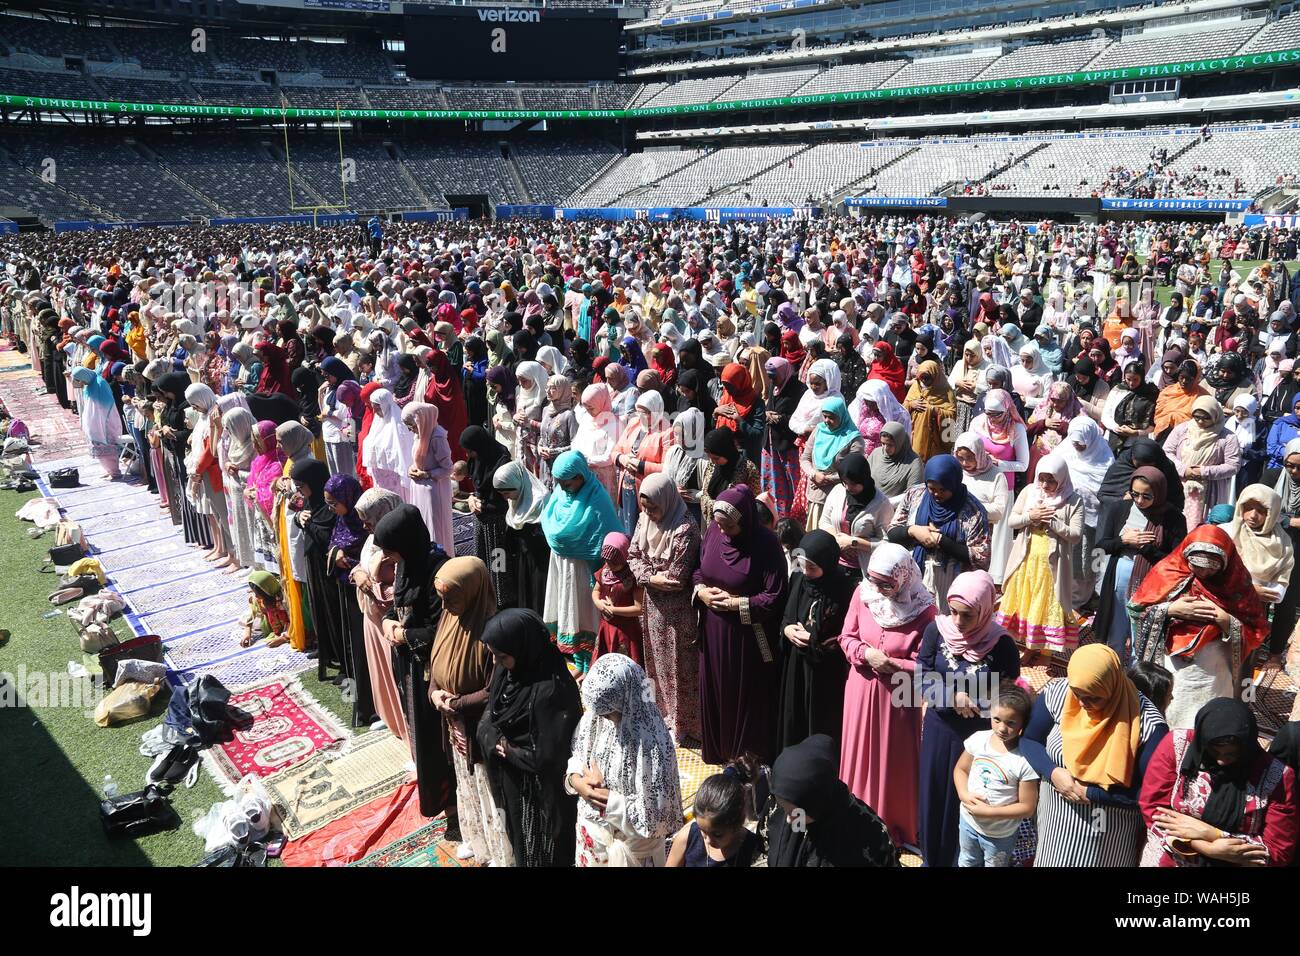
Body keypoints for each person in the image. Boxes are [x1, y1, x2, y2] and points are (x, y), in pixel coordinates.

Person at [1020, 645, 1169, 866]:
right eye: (1077, 693)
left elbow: (1148, 795)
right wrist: (1053, 772)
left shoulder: (1147, 724)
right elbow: (1029, 740)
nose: (1081, 703)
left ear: (1112, 687)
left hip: (1106, 836)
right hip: (1055, 825)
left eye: (1093, 698)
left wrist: (1091, 793)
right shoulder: (1058, 694)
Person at [917, 570, 1020, 866]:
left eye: (968, 615)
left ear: (985, 610)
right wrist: (951, 696)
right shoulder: (937, 631)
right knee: (935, 794)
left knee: (968, 797)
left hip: (977, 736)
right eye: (954, 612)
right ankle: (931, 858)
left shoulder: (1001, 645)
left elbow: (1009, 692)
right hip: (939, 729)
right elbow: (921, 674)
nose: (959, 622)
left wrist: (976, 699)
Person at [838, 541, 937, 847]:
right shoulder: (862, 594)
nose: (878, 589)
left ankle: (892, 824)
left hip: (898, 701)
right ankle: (856, 816)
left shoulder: (926, 611)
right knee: (860, 755)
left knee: (893, 760)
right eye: (875, 581)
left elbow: (929, 667)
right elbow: (846, 637)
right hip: (861, 690)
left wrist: (893, 665)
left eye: (886, 584)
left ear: (904, 577)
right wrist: (866, 655)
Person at [1129, 525, 1270, 730]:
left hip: (1214, 671)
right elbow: (1136, 609)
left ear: (1226, 562)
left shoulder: (1237, 583)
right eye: (1197, 565)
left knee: (1207, 722)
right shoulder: (1169, 572)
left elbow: (1257, 630)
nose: (1203, 573)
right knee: (1171, 716)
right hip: (1172, 668)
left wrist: (1226, 621)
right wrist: (1170, 610)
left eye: (1211, 567)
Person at [476, 608, 582, 867]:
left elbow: (551, 756)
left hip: (543, 791)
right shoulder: (508, 670)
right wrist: (495, 739)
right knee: (523, 844)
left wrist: (510, 750)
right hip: (514, 781)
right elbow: (492, 711)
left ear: (524, 648)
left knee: (545, 850)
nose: (495, 662)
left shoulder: (552, 690)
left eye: (501, 656)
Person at [693, 484, 789, 766]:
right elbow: (699, 569)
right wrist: (702, 592)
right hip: (712, 632)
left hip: (747, 639)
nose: (723, 532)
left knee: (743, 697)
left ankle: (745, 764)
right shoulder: (713, 531)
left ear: (745, 520)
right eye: (719, 525)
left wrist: (736, 604)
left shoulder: (766, 545)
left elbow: (774, 596)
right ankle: (720, 751)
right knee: (716, 690)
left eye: (729, 527)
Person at [1139, 698, 1297, 867]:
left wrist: (1214, 834)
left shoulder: (1277, 776)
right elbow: (1154, 811)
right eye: (1214, 752)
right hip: (1171, 859)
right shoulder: (1177, 746)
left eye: (1231, 754)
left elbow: (1277, 851)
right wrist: (1207, 848)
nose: (1222, 761)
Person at [428, 556, 512, 866]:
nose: (446, 604)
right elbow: (436, 663)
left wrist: (454, 704)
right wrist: (435, 694)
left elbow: (493, 690)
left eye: (452, 597)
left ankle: (500, 851)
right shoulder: (450, 616)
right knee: (467, 783)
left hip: (481, 728)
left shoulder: (492, 628)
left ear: (473, 592)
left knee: (488, 788)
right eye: (443, 598)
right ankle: (479, 841)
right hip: (455, 723)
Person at [375, 504, 455, 819]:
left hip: (434, 669)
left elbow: (442, 629)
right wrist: (388, 622)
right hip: (411, 665)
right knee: (420, 732)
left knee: (438, 740)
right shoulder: (408, 563)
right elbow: (399, 606)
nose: (387, 559)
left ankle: (451, 803)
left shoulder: (439, 570)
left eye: (390, 551)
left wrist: (405, 637)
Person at [565, 653, 683, 867]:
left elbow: (656, 818)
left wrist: (609, 801)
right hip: (593, 844)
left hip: (632, 854)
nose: (604, 719)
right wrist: (576, 781)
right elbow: (578, 753)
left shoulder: (652, 744)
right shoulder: (597, 715)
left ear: (628, 699)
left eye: (610, 713)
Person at [628, 472, 702, 745]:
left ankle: (684, 725)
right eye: (645, 507)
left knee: (680, 667)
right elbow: (633, 555)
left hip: (677, 613)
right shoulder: (644, 518)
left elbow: (676, 579)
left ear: (667, 500)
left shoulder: (685, 528)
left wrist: (647, 576)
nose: (649, 513)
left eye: (654, 507)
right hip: (653, 607)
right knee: (656, 664)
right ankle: (662, 715)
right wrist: (651, 577)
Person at [541, 450, 623, 676]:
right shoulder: (560, 493)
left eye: (567, 483)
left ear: (580, 477)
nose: (563, 487)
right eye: (560, 483)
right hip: (562, 567)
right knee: (569, 613)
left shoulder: (597, 499)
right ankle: (579, 662)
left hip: (585, 569)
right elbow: (551, 524)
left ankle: (592, 664)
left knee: (585, 615)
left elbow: (608, 537)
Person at [997, 453, 1084, 664]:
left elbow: (1075, 534)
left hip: (1052, 566)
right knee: (1026, 601)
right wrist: (1031, 517)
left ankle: (1044, 652)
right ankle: (1027, 646)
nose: (1045, 484)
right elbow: (1012, 520)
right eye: (1042, 478)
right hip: (1025, 560)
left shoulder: (1074, 500)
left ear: (1061, 478)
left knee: (1045, 604)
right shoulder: (1029, 492)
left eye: (1051, 480)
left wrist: (1053, 522)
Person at [1094, 466, 1187, 662]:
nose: (1139, 501)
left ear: (1159, 493)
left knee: (1142, 638)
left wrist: (1145, 548)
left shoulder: (1173, 519)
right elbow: (1102, 545)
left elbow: (1176, 561)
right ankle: (1115, 678)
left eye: (1147, 496)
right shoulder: (1120, 508)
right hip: (1120, 575)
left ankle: (1137, 685)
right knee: (1116, 632)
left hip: (1152, 583)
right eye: (1135, 494)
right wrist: (1124, 541)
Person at [764, 733, 899, 867]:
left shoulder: (871, 835)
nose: (788, 819)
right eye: (783, 807)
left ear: (816, 803)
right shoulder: (777, 808)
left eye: (796, 812)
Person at [777, 530, 854, 751]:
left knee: (818, 723)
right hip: (795, 667)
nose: (807, 572)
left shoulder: (842, 589)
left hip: (823, 675)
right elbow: (786, 615)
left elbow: (844, 636)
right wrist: (787, 630)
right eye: (804, 565)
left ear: (827, 563)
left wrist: (814, 640)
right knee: (794, 716)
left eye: (813, 567)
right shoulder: (798, 579)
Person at [887, 454, 991, 613]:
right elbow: (893, 533)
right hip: (914, 574)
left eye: (943, 489)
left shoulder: (972, 510)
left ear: (954, 484)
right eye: (932, 488)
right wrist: (914, 531)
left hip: (952, 581)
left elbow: (981, 558)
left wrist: (941, 541)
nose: (936, 494)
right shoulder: (916, 495)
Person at [953, 686, 1039, 867]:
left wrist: (989, 812)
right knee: (967, 861)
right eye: (997, 719)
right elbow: (960, 770)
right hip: (968, 822)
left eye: (1011, 723)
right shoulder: (978, 740)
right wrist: (964, 794)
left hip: (1000, 835)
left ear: (1023, 723)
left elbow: (1027, 807)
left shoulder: (1024, 760)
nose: (1002, 728)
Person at [351, 488, 408, 744]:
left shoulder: (397, 539)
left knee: (399, 681)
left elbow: (398, 588)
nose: (364, 525)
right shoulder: (372, 538)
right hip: (373, 620)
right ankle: (392, 720)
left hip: (391, 622)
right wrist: (357, 574)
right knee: (382, 675)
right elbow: (363, 566)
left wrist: (367, 582)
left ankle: (408, 731)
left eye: (368, 519)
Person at [1163, 394, 1240, 529]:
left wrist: (1204, 472)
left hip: (1210, 490)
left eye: (1205, 418)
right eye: (1196, 417)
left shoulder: (1227, 437)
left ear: (1215, 415)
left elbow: (1233, 465)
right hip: (1180, 485)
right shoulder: (1182, 429)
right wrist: (1183, 469)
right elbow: (1166, 453)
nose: (1200, 421)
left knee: (1203, 526)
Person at [460, 424, 515, 608]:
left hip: (497, 520)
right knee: (482, 559)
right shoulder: (479, 457)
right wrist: (472, 499)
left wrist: (484, 503)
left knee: (498, 562)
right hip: (481, 517)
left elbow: (505, 494)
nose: (469, 456)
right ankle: (485, 594)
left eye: (470, 452)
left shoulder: (501, 459)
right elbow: (477, 487)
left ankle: (502, 602)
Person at [953, 432, 1014, 587]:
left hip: (980, 536)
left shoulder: (995, 476)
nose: (965, 462)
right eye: (961, 458)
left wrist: (970, 507)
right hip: (954, 531)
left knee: (973, 579)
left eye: (969, 457)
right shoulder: (955, 473)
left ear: (979, 454)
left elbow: (999, 510)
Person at [666, 772, 762, 867]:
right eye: (702, 830)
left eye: (717, 835)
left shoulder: (753, 849)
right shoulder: (687, 836)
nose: (708, 840)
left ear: (736, 824)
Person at [491, 459, 549, 616]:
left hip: (539, 560)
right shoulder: (517, 497)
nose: (506, 498)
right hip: (522, 557)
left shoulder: (539, 500)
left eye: (507, 493)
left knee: (538, 595)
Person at [400, 402, 454, 557]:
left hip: (433, 489)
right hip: (420, 488)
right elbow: (419, 460)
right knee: (422, 525)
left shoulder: (437, 437)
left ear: (421, 420)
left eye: (412, 424)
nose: (410, 429)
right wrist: (412, 468)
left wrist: (427, 475)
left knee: (436, 528)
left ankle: (441, 560)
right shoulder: (421, 432)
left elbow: (448, 468)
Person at [761, 356, 807, 520]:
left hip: (788, 444)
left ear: (784, 372)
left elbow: (801, 417)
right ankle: (778, 517)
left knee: (792, 482)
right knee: (775, 482)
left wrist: (781, 419)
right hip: (772, 442)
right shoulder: (774, 386)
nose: (772, 379)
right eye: (770, 376)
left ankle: (795, 519)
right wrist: (767, 414)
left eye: (775, 375)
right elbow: (768, 407)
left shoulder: (799, 390)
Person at [592, 532, 644, 664]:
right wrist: (598, 603)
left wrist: (613, 610)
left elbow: (639, 609)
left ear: (624, 557)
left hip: (625, 631)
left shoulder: (632, 577)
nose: (610, 566)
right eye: (607, 561)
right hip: (606, 628)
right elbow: (596, 591)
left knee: (624, 663)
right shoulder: (606, 570)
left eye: (614, 563)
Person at [904, 359, 956, 459]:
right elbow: (903, 408)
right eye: (921, 378)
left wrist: (933, 410)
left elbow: (951, 415)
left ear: (935, 376)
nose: (924, 381)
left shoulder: (946, 391)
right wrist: (911, 404)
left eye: (927, 378)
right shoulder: (916, 386)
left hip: (935, 441)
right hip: (916, 436)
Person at [868, 420, 922, 507]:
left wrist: (885, 504)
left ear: (900, 443)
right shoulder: (876, 453)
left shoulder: (913, 462)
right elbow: (864, 477)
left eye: (890, 445)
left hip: (894, 510)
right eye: (883, 443)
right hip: (870, 504)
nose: (885, 448)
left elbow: (913, 495)